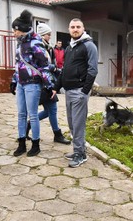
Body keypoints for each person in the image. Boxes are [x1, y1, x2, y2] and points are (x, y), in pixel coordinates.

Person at [9, 9, 53, 157]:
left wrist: (48, 85)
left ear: (23, 30)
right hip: (21, 83)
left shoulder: (36, 42)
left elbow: (44, 66)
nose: (14, 33)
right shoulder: (19, 44)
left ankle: (35, 144)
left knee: (32, 115)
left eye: (16, 30)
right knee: (21, 114)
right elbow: (18, 64)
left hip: (33, 83)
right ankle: (21, 143)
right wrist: (14, 80)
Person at [55, 18, 98, 168]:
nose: (75, 29)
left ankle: (80, 154)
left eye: (78, 27)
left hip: (79, 91)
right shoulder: (69, 48)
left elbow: (93, 70)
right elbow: (64, 70)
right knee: (72, 124)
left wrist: (84, 91)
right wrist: (56, 86)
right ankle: (78, 150)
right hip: (68, 91)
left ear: (83, 28)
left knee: (78, 125)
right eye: (72, 27)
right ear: (69, 29)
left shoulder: (89, 46)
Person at [33, 23, 70, 145]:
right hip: (43, 83)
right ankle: (57, 135)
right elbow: (40, 65)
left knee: (49, 111)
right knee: (52, 109)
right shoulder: (39, 47)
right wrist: (53, 67)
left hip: (47, 81)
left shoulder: (47, 47)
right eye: (48, 34)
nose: (50, 37)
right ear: (43, 34)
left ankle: (30, 123)